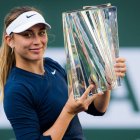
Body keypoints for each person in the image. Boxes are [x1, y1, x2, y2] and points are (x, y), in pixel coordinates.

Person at [0, 6, 126, 140]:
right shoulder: (16, 90)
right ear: (10, 40)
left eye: (41, 33)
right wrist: (69, 111)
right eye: (27, 35)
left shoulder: (51, 65)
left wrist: (105, 81)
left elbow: (97, 109)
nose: (37, 41)